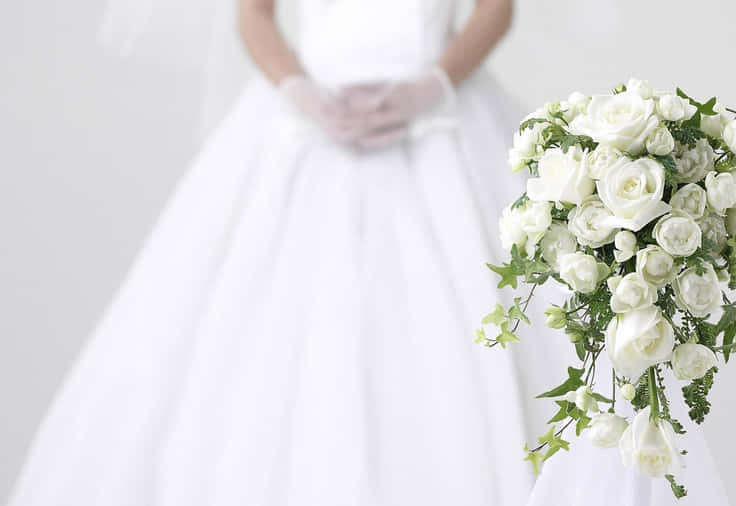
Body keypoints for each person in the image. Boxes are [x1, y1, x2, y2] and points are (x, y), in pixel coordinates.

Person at [6, 1, 559, 505]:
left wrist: (432, 84)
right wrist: (299, 92)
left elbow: (496, 8)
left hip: (444, 119)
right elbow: (254, 14)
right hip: (306, 123)